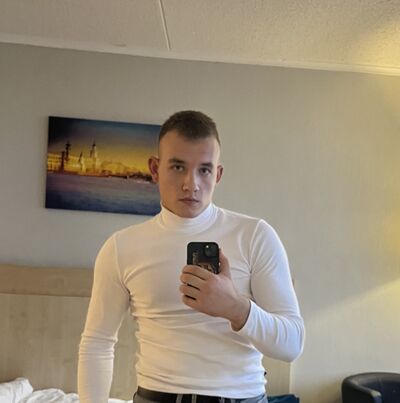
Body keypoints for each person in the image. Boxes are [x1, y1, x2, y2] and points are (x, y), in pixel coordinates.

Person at [78, 111, 305, 403]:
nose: (191, 184)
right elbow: (97, 343)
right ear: (155, 169)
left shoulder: (254, 236)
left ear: (218, 175)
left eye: (204, 170)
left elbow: (292, 344)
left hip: (242, 397)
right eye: (178, 167)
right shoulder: (121, 247)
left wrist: (236, 308)